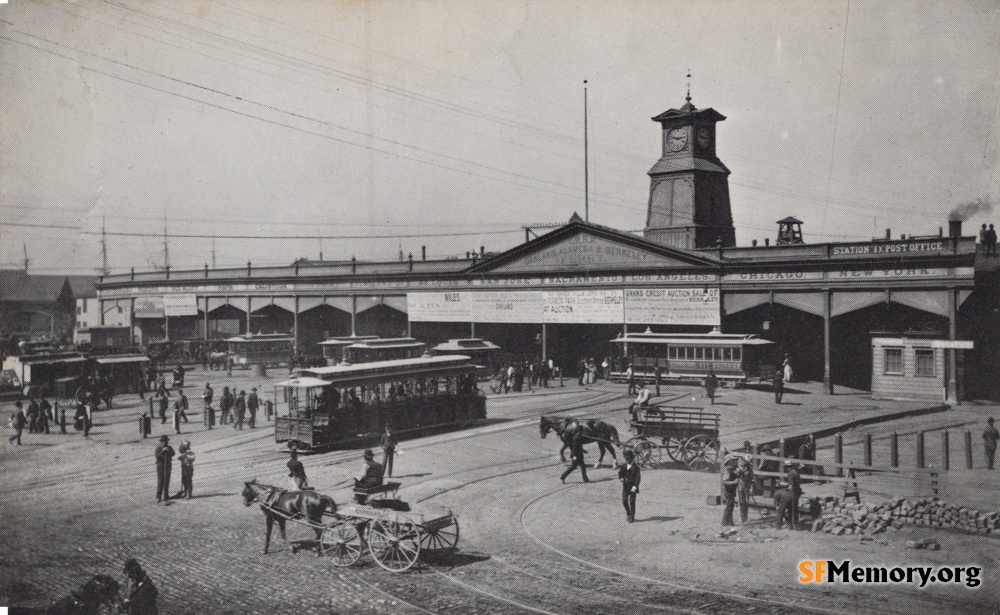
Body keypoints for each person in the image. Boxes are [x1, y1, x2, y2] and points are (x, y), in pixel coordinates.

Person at [618, 448, 641, 522]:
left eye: (628, 459)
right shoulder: (624, 466)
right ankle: (628, 512)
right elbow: (620, 473)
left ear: (632, 458)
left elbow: (638, 478)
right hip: (625, 487)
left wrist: (635, 486)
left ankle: (632, 517)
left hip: (632, 487)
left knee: (632, 502)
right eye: (626, 459)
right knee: (624, 501)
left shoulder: (636, 467)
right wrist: (621, 478)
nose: (627, 460)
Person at [720, 454, 740, 527]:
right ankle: (724, 522)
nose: (735, 462)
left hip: (731, 490)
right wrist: (734, 482)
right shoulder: (727, 470)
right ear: (729, 462)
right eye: (733, 461)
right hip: (728, 490)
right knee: (729, 506)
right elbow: (724, 482)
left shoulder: (732, 469)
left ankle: (730, 522)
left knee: (731, 506)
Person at [154, 435, 174, 503]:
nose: (166, 443)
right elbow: (157, 456)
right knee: (160, 481)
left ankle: (166, 495)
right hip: (160, 466)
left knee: (167, 481)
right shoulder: (158, 448)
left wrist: (169, 451)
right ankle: (158, 497)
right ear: (161, 442)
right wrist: (162, 451)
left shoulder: (169, 447)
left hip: (168, 466)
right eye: (164, 442)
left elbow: (173, 454)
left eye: (166, 441)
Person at [736, 454, 755, 524]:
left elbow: (753, 479)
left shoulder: (749, 469)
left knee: (746, 503)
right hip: (740, 487)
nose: (743, 466)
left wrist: (751, 488)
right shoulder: (738, 467)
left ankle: (745, 517)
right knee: (740, 503)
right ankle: (741, 518)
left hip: (747, 487)